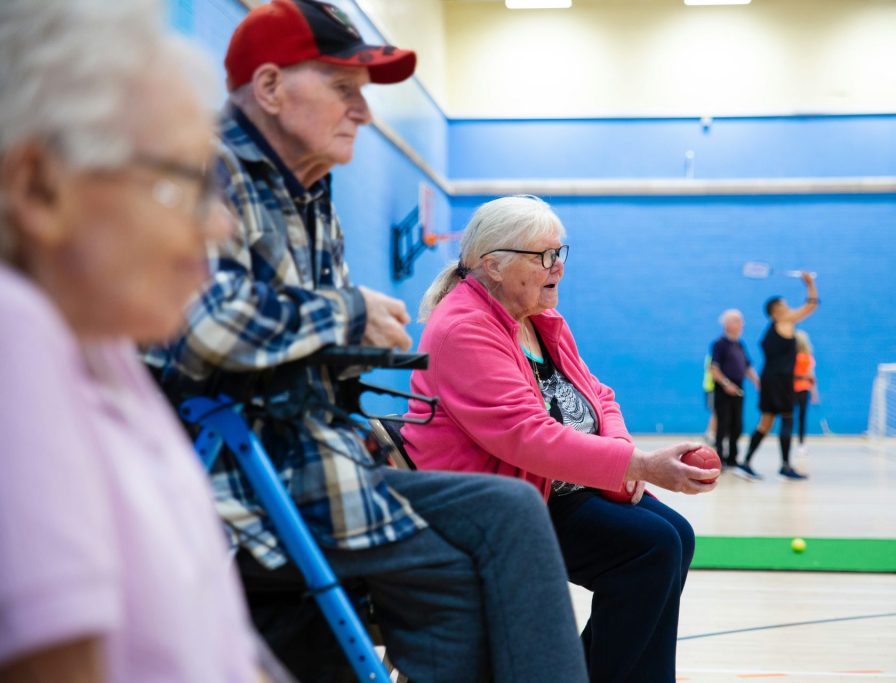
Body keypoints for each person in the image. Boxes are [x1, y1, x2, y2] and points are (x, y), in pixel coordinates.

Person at [148, 3, 587, 681]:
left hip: (313, 458)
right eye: (343, 90)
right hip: (240, 475)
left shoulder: (309, 191)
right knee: (462, 562)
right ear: (268, 88)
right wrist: (349, 316)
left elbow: (298, 334)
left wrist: (353, 340)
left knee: (508, 513)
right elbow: (203, 325)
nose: (364, 112)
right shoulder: (202, 171)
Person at [0, 1, 269, 681]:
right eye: (183, 183)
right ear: (37, 186)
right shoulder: (15, 334)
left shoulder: (102, 346)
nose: (220, 226)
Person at [403, 195, 720, 683]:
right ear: (493, 265)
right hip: (497, 505)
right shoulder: (463, 328)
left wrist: (625, 459)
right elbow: (527, 438)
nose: (558, 268)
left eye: (560, 253)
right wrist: (637, 465)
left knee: (676, 536)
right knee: (650, 548)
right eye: (543, 257)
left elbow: (598, 395)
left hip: (552, 488)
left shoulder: (539, 319)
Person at [734, 273, 820, 481]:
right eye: (785, 305)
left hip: (769, 379)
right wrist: (810, 283)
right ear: (776, 311)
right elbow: (811, 306)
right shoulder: (784, 322)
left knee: (765, 423)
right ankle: (785, 466)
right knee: (788, 419)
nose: (789, 307)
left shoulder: (771, 330)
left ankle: (745, 463)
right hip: (781, 381)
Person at [709, 309, 760, 467]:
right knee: (723, 424)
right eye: (738, 321)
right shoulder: (719, 344)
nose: (742, 324)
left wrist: (757, 382)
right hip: (723, 389)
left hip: (738, 387)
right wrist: (726, 384)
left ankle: (732, 458)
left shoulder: (739, 344)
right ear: (728, 324)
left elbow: (747, 366)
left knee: (737, 425)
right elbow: (714, 368)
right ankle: (720, 458)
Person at [794, 329, 819, 457]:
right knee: (802, 418)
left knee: (788, 417)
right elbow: (811, 376)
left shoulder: (792, 357)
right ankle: (801, 445)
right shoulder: (808, 357)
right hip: (804, 389)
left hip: (791, 389)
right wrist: (814, 393)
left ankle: (787, 441)